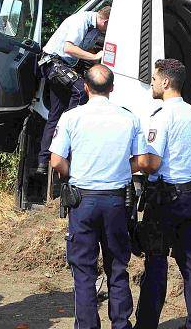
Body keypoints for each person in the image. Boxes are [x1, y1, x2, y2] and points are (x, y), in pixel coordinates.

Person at [49, 64, 150, 329]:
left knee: (83, 270)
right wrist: (118, 170)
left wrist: (76, 173)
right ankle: (120, 324)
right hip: (117, 200)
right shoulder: (129, 118)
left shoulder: (71, 118)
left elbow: (57, 161)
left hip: (82, 200)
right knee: (117, 266)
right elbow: (141, 161)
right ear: (112, 89)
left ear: (85, 87)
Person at [134, 59, 191, 329]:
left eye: (155, 79)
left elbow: (151, 163)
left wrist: (134, 163)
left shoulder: (160, 117)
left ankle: (146, 324)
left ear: (166, 82)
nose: (153, 84)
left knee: (156, 263)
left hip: (164, 199)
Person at [37, 5, 111, 174]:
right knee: (82, 90)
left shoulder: (93, 27)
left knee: (56, 113)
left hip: (61, 66)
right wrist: (94, 57)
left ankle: (43, 161)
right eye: (108, 28)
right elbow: (68, 48)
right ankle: (69, 131)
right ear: (105, 21)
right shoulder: (81, 21)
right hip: (53, 63)